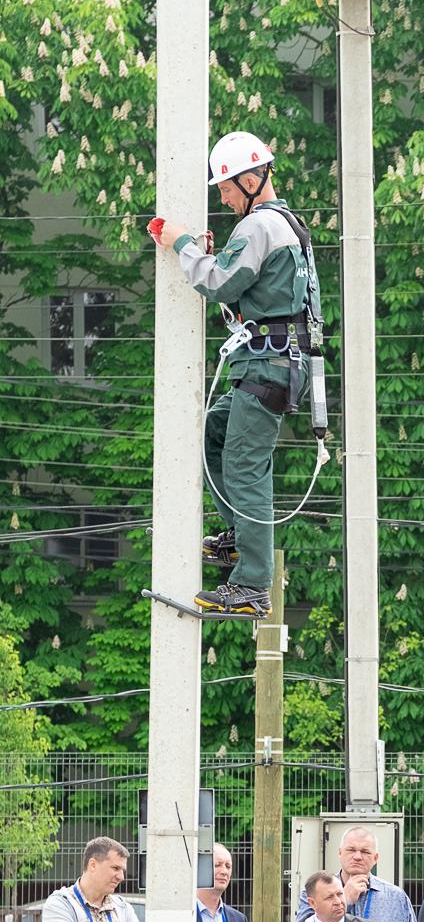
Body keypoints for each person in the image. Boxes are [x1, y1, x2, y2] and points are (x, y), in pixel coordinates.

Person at [149, 129, 322, 617]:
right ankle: (235, 537)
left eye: (226, 189)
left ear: (251, 179)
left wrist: (181, 242)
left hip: (268, 365)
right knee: (214, 433)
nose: (223, 200)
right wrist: (206, 253)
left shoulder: (259, 226)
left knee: (246, 468)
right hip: (275, 362)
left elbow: (220, 282)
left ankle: (251, 583)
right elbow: (250, 298)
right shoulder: (284, 225)